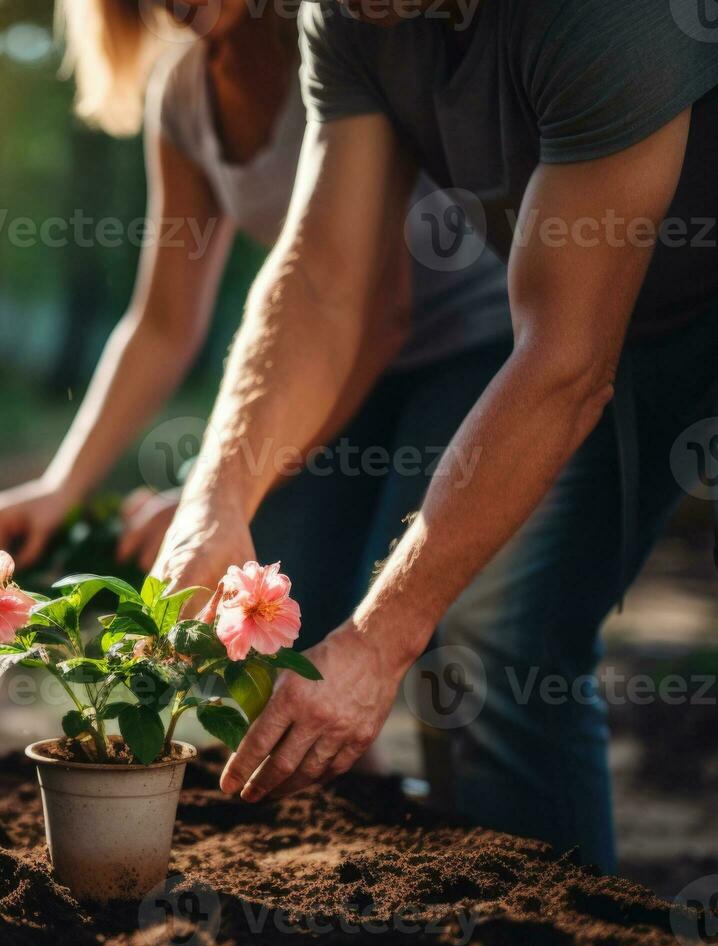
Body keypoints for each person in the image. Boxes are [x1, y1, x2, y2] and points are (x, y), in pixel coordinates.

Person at [149, 0, 718, 872]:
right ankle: (511, 927)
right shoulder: (344, 17)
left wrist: (379, 639)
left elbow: (565, 363)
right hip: (598, 314)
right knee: (480, 638)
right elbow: (323, 283)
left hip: (678, 315)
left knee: (499, 626)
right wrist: (212, 499)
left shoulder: (612, 17)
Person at [0, 1, 509, 734]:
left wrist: (214, 491)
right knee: (295, 615)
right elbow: (162, 323)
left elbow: (376, 312)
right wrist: (63, 483)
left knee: (430, 614)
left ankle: (489, 826)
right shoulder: (185, 97)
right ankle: (351, 807)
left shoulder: (344, 44)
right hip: (335, 367)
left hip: (470, 347)